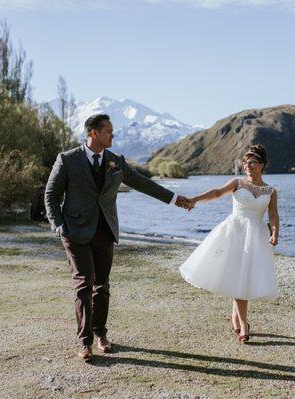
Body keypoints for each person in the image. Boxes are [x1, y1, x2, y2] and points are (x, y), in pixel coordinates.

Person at [44, 114, 193, 361]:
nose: (113, 136)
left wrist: (175, 199)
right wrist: (58, 225)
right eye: (109, 132)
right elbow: (51, 194)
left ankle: (100, 333)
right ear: (94, 133)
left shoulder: (116, 162)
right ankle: (84, 342)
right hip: (75, 232)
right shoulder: (68, 160)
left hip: (105, 232)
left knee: (102, 286)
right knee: (83, 284)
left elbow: (143, 183)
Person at [179, 144, 279, 343]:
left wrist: (275, 233)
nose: (247, 166)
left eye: (252, 162)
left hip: (257, 237)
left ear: (261, 165)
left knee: (243, 277)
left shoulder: (271, 191)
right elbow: (216, 192)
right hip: (234, 233)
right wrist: (194, 199)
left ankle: (235, 316)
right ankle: (244, 325)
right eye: (245, 162)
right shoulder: (238, 183)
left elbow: (273, 214)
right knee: (238, 277)